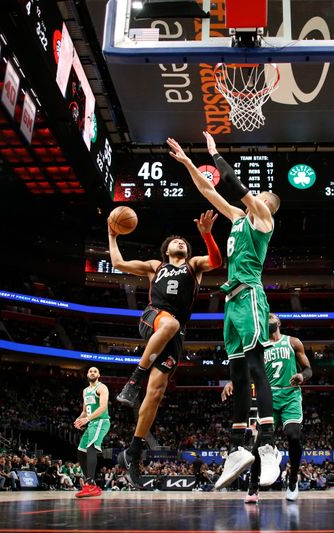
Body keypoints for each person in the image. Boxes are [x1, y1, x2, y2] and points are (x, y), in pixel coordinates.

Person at [168, 132, 282, 490]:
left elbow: (231, 183)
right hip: (231, 301)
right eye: (257, 195)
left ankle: (268, 444)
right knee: (236, 372)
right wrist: (188, 162)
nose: (257, 196)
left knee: (254, 365)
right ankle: (237, 447)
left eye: (261, 195)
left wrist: (215, 153)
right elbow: (209, 191)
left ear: (267, 204)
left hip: (250, 295)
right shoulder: (236, 218)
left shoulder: (263, 218)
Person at [111, 211, 222, 489]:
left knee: (157, 393)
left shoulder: (194, 266)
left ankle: (133, 451)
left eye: (184, 241)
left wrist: (207, 234)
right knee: (169, 324)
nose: (181, 243)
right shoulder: (154, 266)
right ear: (166, 249)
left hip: (175, 333)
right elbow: (118, 262)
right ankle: (135, 379)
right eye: (175, 241)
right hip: (154, 317)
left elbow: (217, 261)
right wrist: (112, 235)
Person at [222, 313, 312, 502]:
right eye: (266, 317)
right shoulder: (260, 347)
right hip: (269, 396)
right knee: (259, 445)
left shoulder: (293, 342)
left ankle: (293, 479)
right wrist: (232, 381)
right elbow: (246, 370)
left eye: (271, 316)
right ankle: (253, 487)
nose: (268, 318)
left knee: (294, 435)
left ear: (278, 322)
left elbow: (308, 368)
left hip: (290, 395)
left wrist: (302, 376)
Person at [73, 367, 110, 498]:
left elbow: (103, 407)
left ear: (99, 375)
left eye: (95, 371)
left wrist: (87, 419)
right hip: (91, 423)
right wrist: (79, 419)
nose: (92, 373)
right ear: (87, 375)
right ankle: (92, 483)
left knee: (91, 449)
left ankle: (89, 485)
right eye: (90, 371)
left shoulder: (102, 388)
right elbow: (85, 410)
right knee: (81, 452)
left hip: (101, 421)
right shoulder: (85, 391)